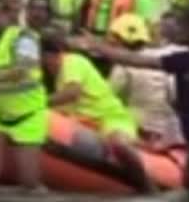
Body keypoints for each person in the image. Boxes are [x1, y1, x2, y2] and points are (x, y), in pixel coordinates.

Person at [79, 5, 189, 202]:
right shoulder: (186, 59)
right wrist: (100, 48)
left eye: (181, 26)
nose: (177, 30)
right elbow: (136, 60)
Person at [41, 36, 153, 193]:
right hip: (89, 125)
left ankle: (149, 188)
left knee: (119, 145)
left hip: (111, 118)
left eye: (44, 59)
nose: (44, 65)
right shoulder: (60, 76)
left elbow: (72, 93)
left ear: (52, 54)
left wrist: (37, 102)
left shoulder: (73, 62)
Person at [0, 0, 46, 193]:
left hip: (28, 115)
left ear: (7, 15)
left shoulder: (25, 37)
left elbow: (23, 69)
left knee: (29, 184)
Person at [107, 13, 183, 146]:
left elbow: (109, 96)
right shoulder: (160, 59)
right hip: (165, 130)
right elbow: (174, 96)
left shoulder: (122, 65)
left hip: (138, 127)